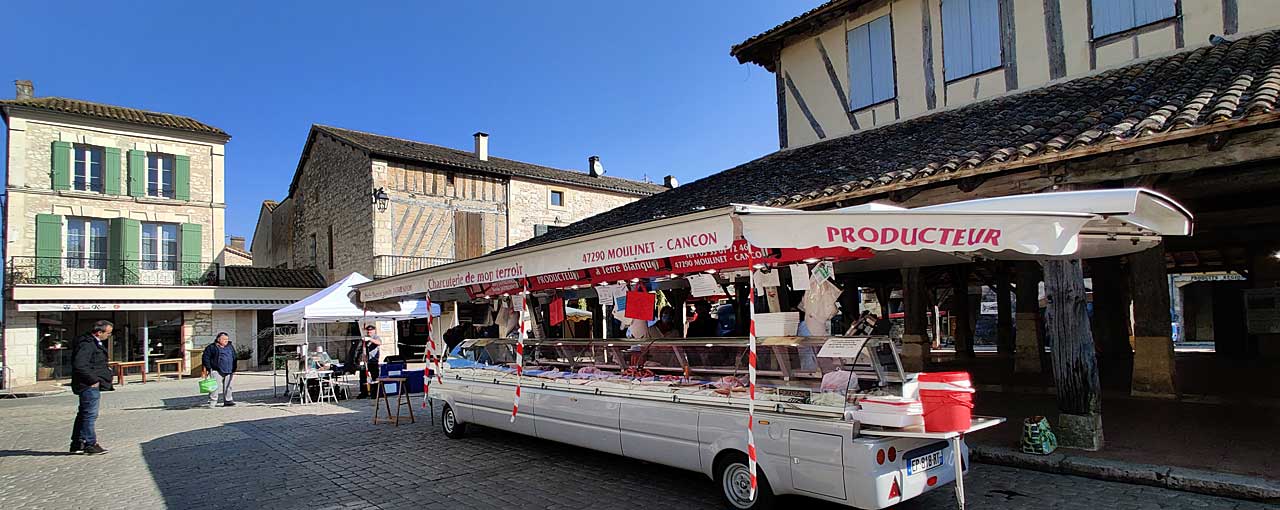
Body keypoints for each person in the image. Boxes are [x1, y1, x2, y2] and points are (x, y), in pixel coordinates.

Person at [70, 320, 115, 455]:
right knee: (90, 414)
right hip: (87, 385)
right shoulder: (87, 344)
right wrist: (93, 380)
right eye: (108, 333)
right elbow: (80, 364)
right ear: (99, 332)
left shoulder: (92, 342)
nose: (109, 336)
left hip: (88, 383)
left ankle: (77, 443)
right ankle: (90, 443)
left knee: (84, 414)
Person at [201, 332, 237, 408]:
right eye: (224, 339)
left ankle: (228, 400)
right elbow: (205, 357)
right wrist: (209, 368)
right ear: (218, 339)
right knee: (214, 387)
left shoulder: (230, 346)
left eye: (227, 339)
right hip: (216, 369)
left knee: (228, 386)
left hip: (229, 369)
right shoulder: (211, 347)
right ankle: (213, 401)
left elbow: (234, 356)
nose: (226, 341)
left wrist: (234, 368)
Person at [356, 324, 382, 398]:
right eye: (368, 330)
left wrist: (370, 339)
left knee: (375, 378)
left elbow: (379, 342)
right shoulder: (364, 339)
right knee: (363, 378)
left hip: (373, 361)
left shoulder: (376, 337)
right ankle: (363, 392)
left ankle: (375, 393)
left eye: (371, 330)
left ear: (374, 330)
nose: (369, 331)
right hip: (365, 361)